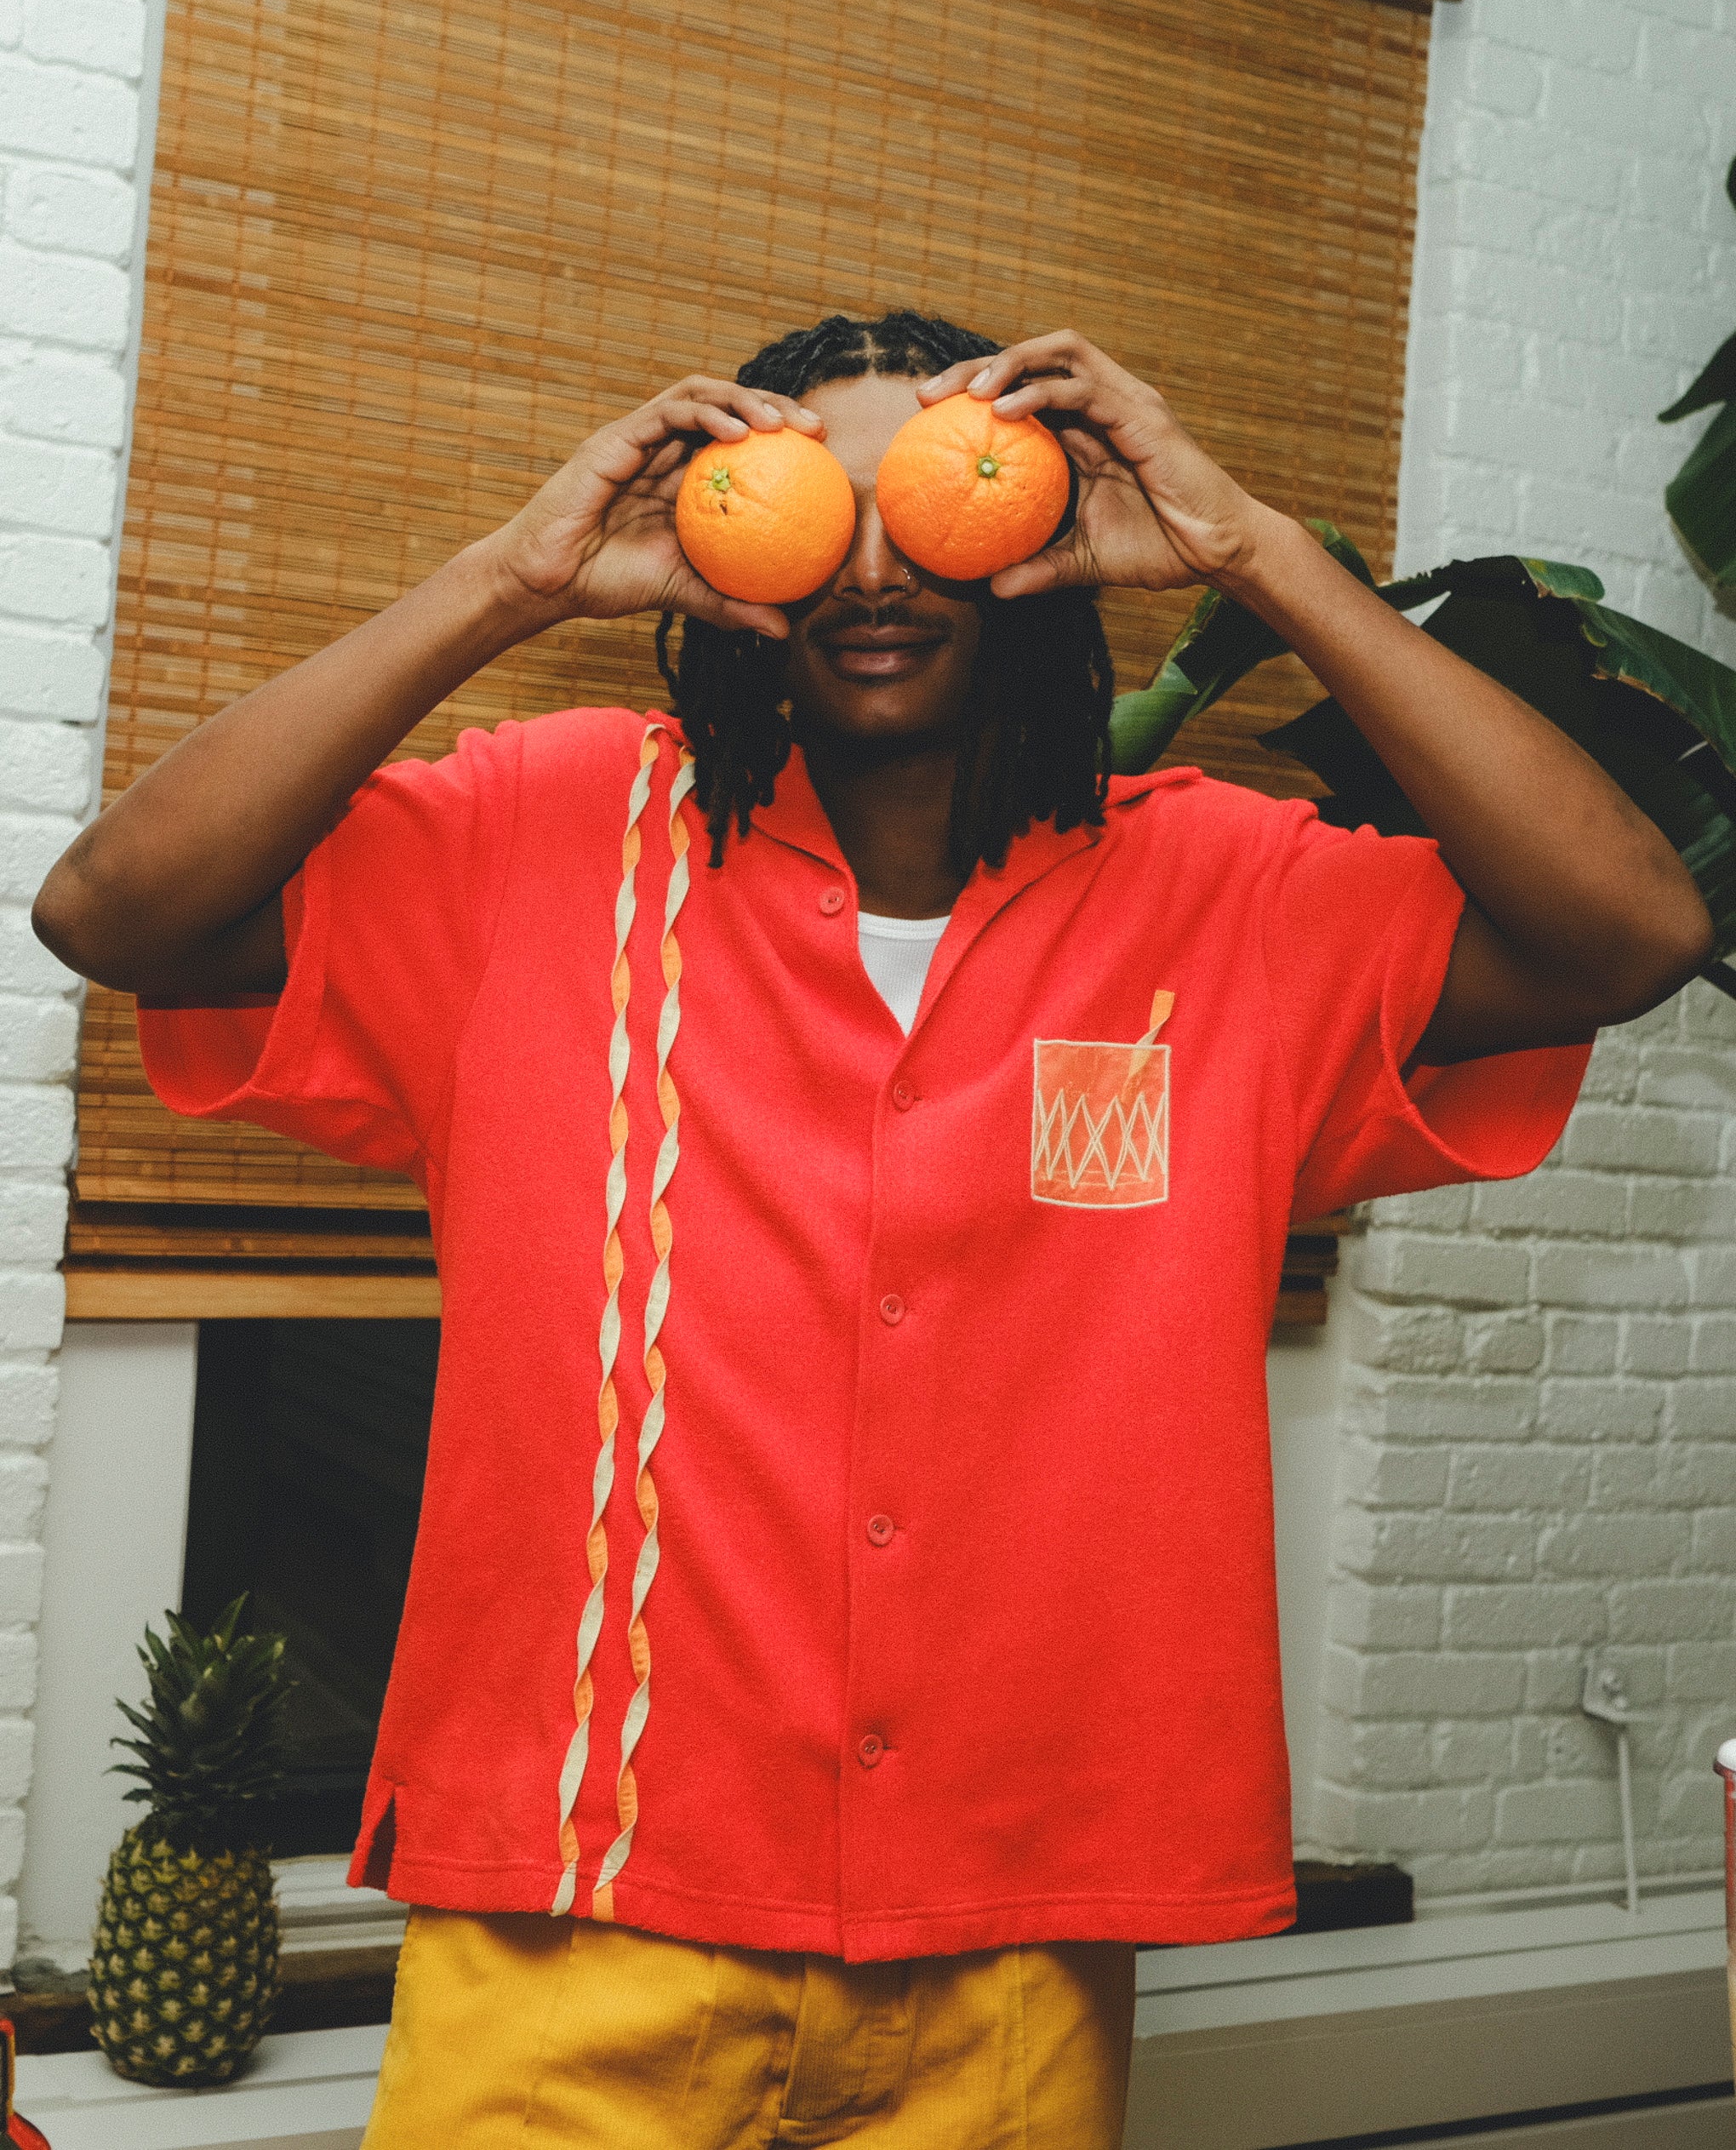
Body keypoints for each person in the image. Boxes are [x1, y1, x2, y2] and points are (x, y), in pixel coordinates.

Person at [34, 312, 1711, 2146]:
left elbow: (1628, 930)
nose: (875, 566)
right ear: (727, 543)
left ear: (1037, 541)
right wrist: (509, 582)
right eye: (812, 508)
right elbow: (122, 910)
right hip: (572, 1916)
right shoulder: (543, 831)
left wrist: (1253, 549)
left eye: (932, 502)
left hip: (1010, 1938)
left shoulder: (1229, 891)